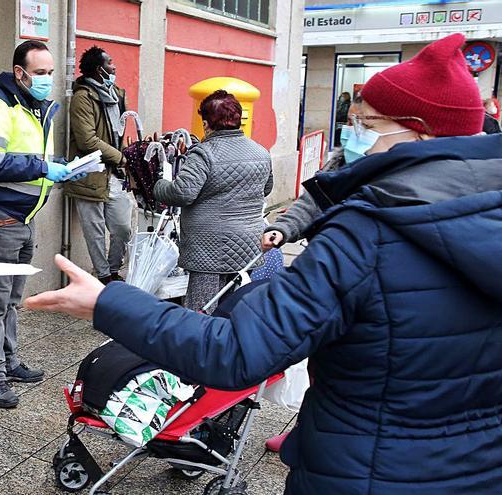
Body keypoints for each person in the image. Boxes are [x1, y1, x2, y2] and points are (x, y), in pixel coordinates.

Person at [25, 34, 502, 494]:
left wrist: (110, 302)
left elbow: (235, 350)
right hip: (476, 468)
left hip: (364, 468)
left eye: (369, 124)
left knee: (203, 316)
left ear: (416, 129)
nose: (357, 135)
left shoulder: (367, 235)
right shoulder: (259, 153)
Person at [0, 40, 84, 408]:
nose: (47, 79)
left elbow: (31, 159)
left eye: (51, 73)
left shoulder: (33, 108)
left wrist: (58, 167)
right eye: (40, 73)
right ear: (19, 73)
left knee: (13, 299)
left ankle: (11, 361)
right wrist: (45, 168)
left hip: (23, 219)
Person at [153, 90, 273, 312]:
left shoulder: (204, 154)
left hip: (209, 248)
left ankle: (194, 346)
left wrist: (159, 185)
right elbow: (266, 188)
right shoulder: (261, 152)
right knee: (231, 306)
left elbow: (182, 193)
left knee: (200, 309)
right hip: (247, 243)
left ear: (207, 124)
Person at [64, 46, 132, 285]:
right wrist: (121, 157)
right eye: (110, 62)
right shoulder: (83, 98)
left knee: (122, 227)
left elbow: (118, 131)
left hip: (113, 173)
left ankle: (114, 269)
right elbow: (87, 140)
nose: (114, 67)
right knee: (94, 233)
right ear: (99, 69)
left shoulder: (115, 94)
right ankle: (104, 277)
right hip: (90, 174)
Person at [262, 92, 363, 251]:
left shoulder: (401, 181)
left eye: (362, 123)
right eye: (350, 122)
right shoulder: (338, 164)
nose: (349, 129)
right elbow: (312, 204)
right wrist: (282, 228)